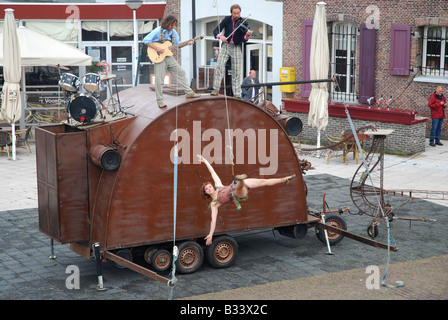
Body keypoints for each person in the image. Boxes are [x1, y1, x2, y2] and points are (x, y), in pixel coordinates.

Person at [197, 154, 296, 245]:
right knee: (237, 188)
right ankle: (240, 180)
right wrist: (210, 234)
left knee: (263, 181)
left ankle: (283, 179)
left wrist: (204, 160)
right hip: (238, 194)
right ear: (205, 192)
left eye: (210, 186)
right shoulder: (214, 204)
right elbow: (213, 221)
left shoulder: (218, 185)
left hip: (236, 185)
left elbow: (212, 171)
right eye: (207, 189)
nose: (209, 188)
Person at [143, 15, 200, 108]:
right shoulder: (158, 30)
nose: (173, 26)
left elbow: (178, 45)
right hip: (159, 57)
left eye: (174, 25)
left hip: (169, 56)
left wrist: (187, 43)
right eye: (172, 25)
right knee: (159, 80)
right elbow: (146, 40)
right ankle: (160, 101)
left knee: (181, 72)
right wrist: (157, 48)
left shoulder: (174, 33)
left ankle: (189, 92)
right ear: (167, 23)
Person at [210, 4, 253, 99]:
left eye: (238, 13)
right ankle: (215, 89)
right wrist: (220, 36)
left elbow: (244, 39)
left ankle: (237, 94)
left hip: (236, 47)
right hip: (226, 45)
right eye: (235, 13)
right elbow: (216, 30)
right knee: (219, 67)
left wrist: (247, 35)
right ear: (231, 13)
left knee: (237, 71)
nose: (237, 15)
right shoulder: (227, 19)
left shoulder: (243, 22)